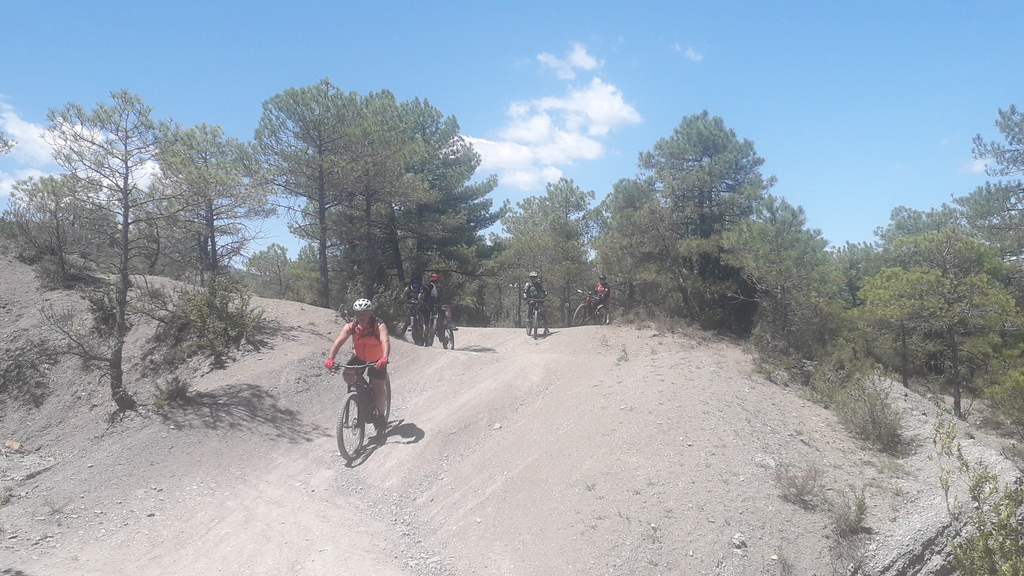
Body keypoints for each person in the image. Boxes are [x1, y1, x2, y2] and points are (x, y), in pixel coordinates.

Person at [324, 298, 391, 434]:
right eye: (358, 313)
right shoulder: (352, 326)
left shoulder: (378, 325)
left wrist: (384, 357)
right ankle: (360, 393)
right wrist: (330, 358)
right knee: (347, 374)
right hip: (359, 357)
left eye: (364, 313)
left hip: (377, 359)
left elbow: (385, 340)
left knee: (378, 388)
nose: (361, 316)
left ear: (370, 313)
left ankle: (380, 416)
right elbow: (338, 342)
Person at [421, 273, 457, 339]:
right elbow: (426, 288)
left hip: (428, 307)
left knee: (426, 326)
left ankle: (424, 340)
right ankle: (449, 322)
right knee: (447, 309)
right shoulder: (431, 286)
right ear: (437, 281)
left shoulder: (434, 289)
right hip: (432, 306)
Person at [522, 271, 550, 335]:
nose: (533, 278)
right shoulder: (528, 284)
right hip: (531, 299)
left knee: (543, 312)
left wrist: (545, 293)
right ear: (530, 278)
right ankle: (528, 318)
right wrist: (525, 296)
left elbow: (543, 290)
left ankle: (546, 328)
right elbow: (525, 291)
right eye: (532, 277)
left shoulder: (539, 284)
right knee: (530, 306)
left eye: (535, 277)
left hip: (539, 299)